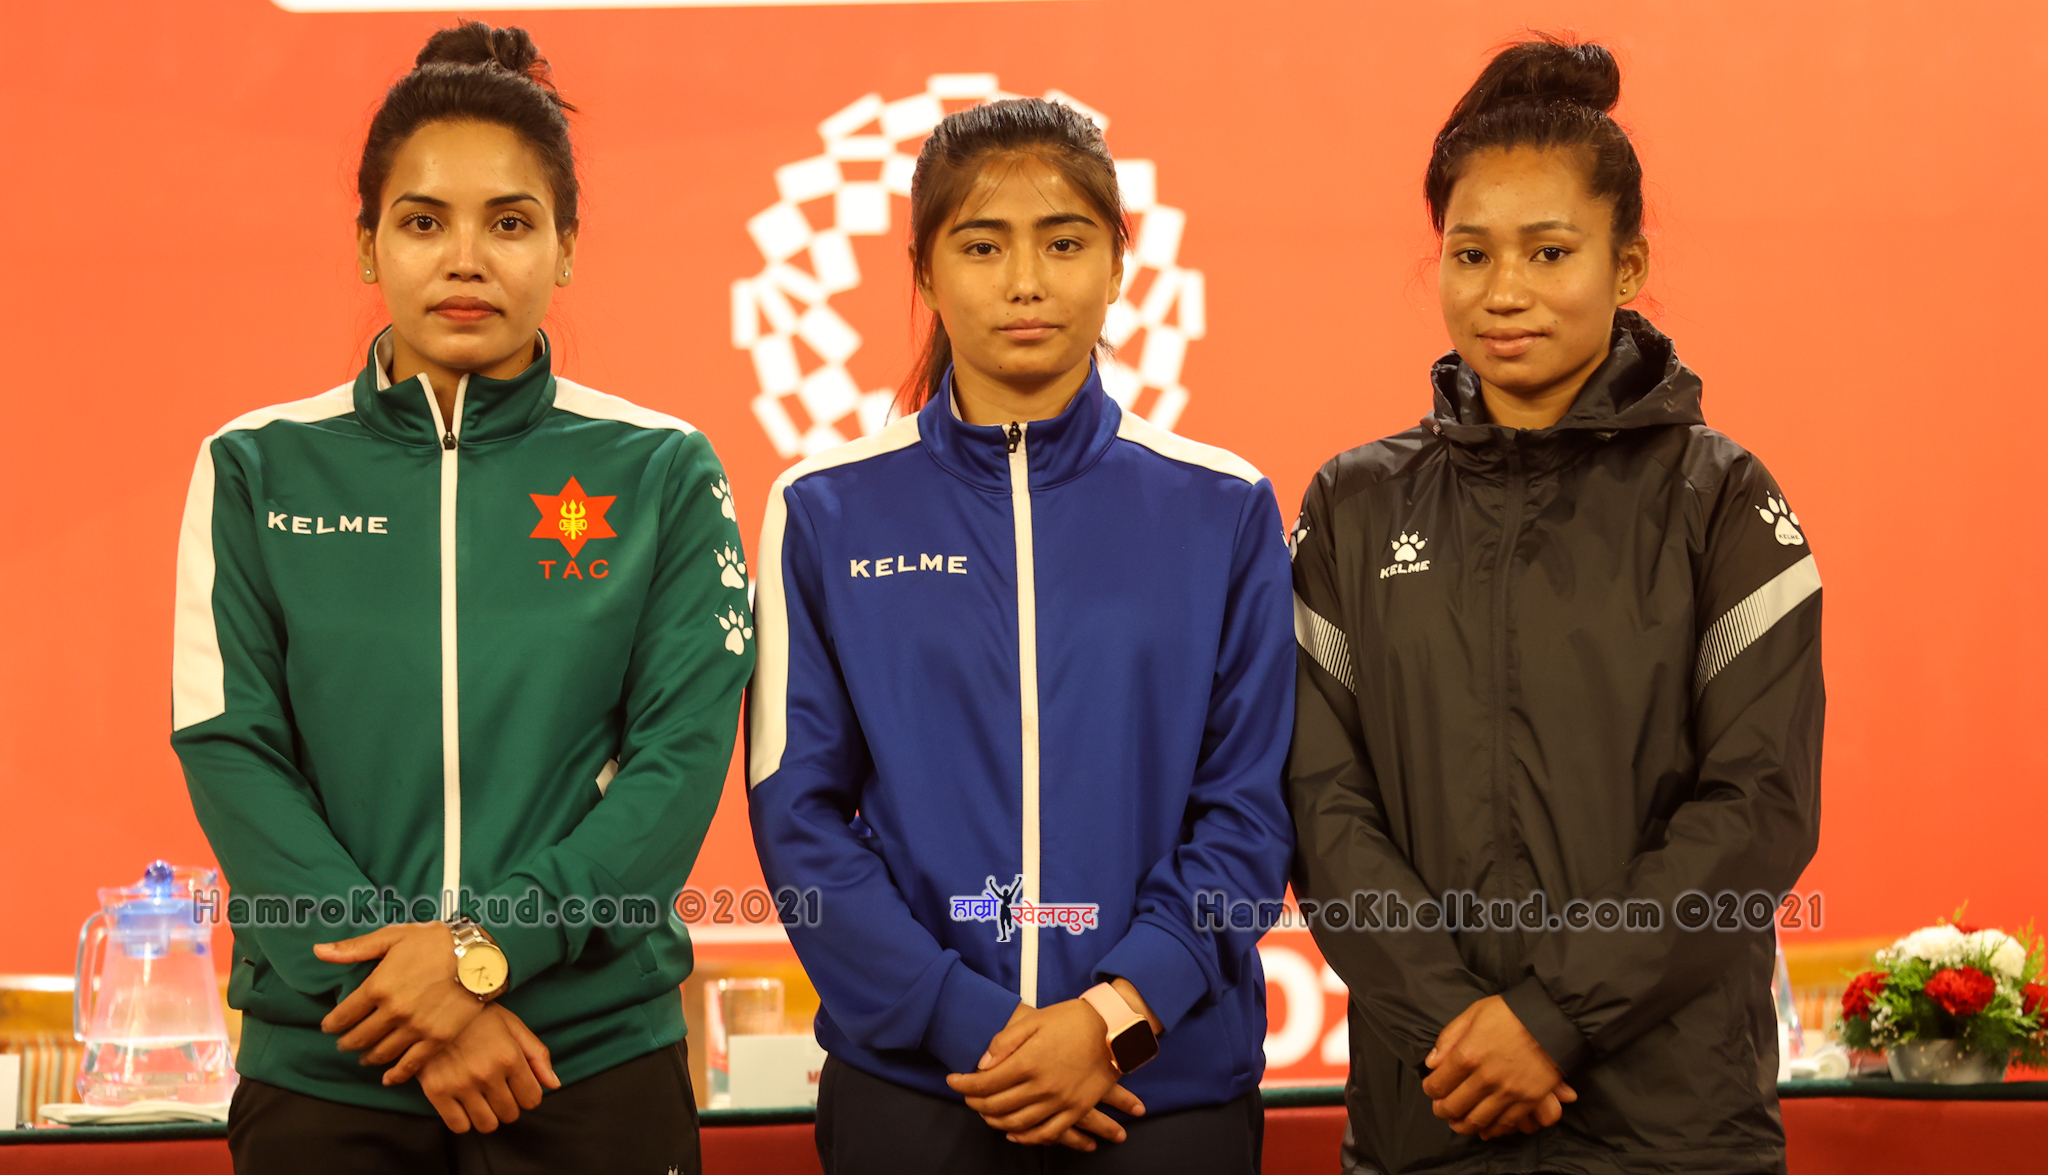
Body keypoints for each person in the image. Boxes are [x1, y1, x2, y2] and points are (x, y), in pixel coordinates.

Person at [170, 22, 751, 1174]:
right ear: (367, 244)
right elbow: (233, 750)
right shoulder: (255, 466)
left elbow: (677, 761)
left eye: (511, 222)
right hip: (332, 1065)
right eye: (424, 221)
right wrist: (411, 997)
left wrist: (485, 949)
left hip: (587, 1062)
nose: (466, 258)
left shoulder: (662, 468)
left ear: (567, 247)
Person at [1286, 35, 1823, 1175]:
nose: (1504, 291)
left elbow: (1756, 805)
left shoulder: (1720, 497)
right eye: (1471, 253)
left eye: (1549, 251)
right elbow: (1321, 806)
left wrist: (1551, 1018)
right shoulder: (1349, 505)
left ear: (1627, 267)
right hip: (1432, 1111)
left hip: (1672, 1128)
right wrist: (1456, 1027)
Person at [746, 97, 1296, 1173]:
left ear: (1119, 264)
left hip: (1161, 1087)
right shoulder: (825, 509)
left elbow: (1251, 807)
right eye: (982, 245)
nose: (1026, 281)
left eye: (1064, 242)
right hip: (920, 1087)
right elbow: (797, 813)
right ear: (922, 271)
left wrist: (1114, 1013)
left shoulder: (1222, 506)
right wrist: (966, 1020)